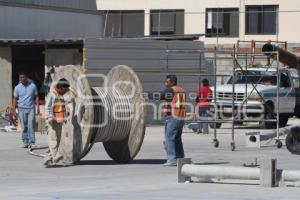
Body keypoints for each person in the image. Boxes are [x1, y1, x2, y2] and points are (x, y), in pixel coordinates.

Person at [146, 75, 186, 166]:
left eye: (167, 82)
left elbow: (159, 96)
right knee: (177, 139)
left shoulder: (170, 90)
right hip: (181, 117)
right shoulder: (181, 90)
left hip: (173, 117)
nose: (165, 83)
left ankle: (171, 159)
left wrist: (147, 94)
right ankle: (180, 158)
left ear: (172, 82)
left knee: (169, 139)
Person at [43, 79, 70, 167]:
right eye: (64, 89)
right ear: (60, 87)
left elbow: (62, 107)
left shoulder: (60, 95)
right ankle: (55, 156)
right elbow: (48, 107)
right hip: (52, 121)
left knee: (56, 140)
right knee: (53, 139)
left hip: (59, 121)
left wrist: (64, 117)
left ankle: (47, 159)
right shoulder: (52, 95)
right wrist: (50, 118)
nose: (65, 91)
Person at [12, 72, 39, 148]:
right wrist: (14, 109)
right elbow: (15, 98)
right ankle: (25, 142)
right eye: (20, 77)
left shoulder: (33, 86)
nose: (22, 79)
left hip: (31, 109)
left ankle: (32, 142)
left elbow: (36, 96)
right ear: (19, 79)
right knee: (24, 126)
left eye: (23, 77)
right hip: (21, 109)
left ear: (26, 77)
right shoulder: (17, 87)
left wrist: (38, 107)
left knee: (31, 126)